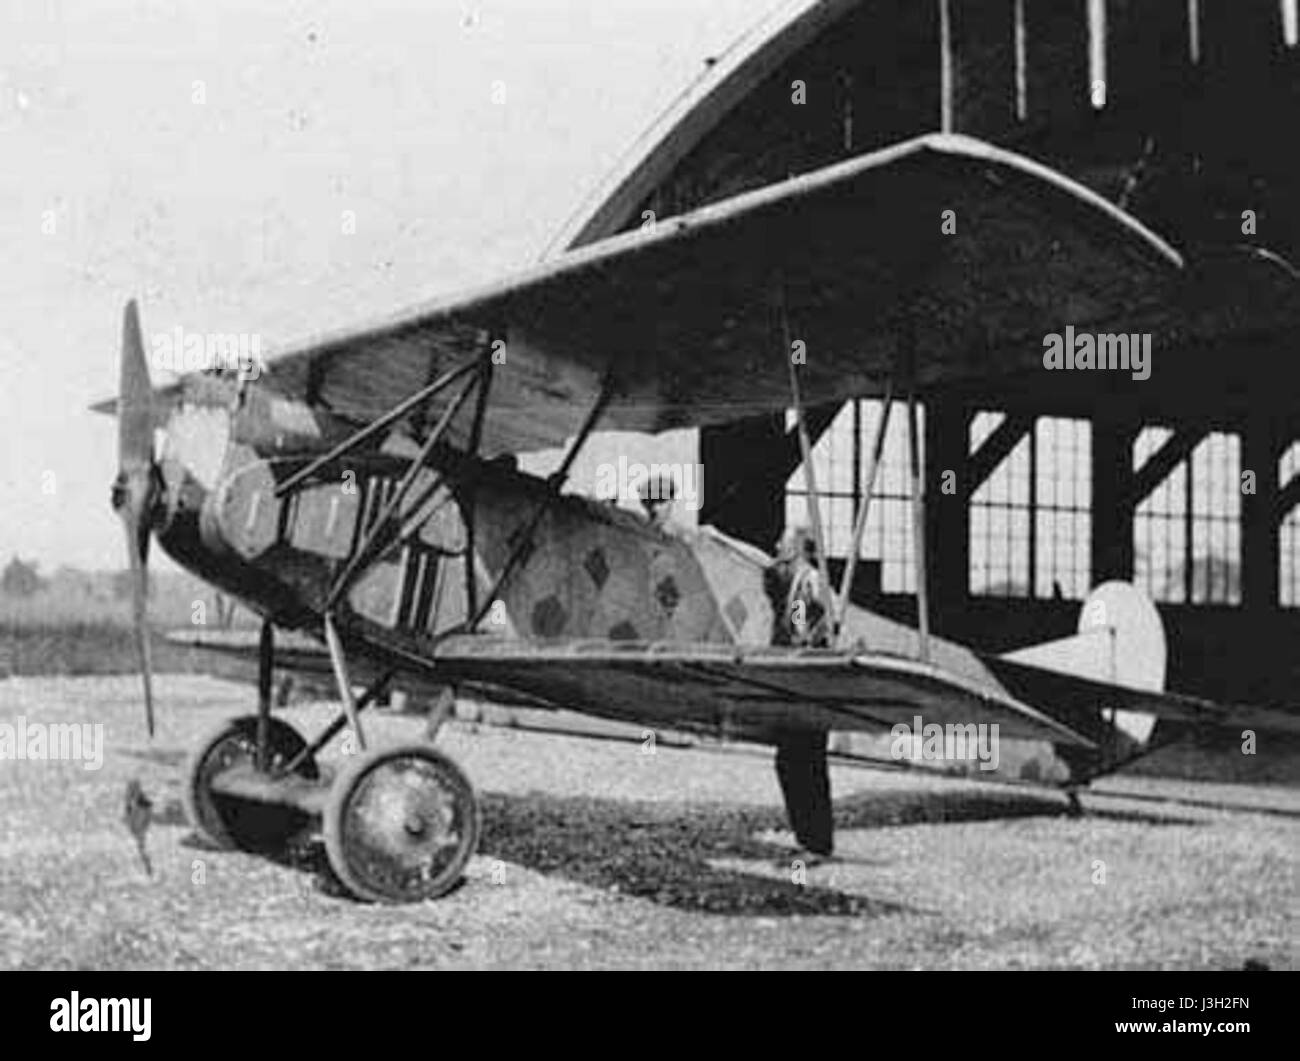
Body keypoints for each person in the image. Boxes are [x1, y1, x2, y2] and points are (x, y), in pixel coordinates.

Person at [763, 524, 834, 859]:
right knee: (791, 761)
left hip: (809, 684)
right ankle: (808, 838)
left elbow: (821, 618)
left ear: (798, 547)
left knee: (804, 762)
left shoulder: (810, 580)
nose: (777, 544)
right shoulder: (790, 580)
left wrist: (811, 639)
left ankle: (817, 843)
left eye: (783, 540)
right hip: (795, 682)